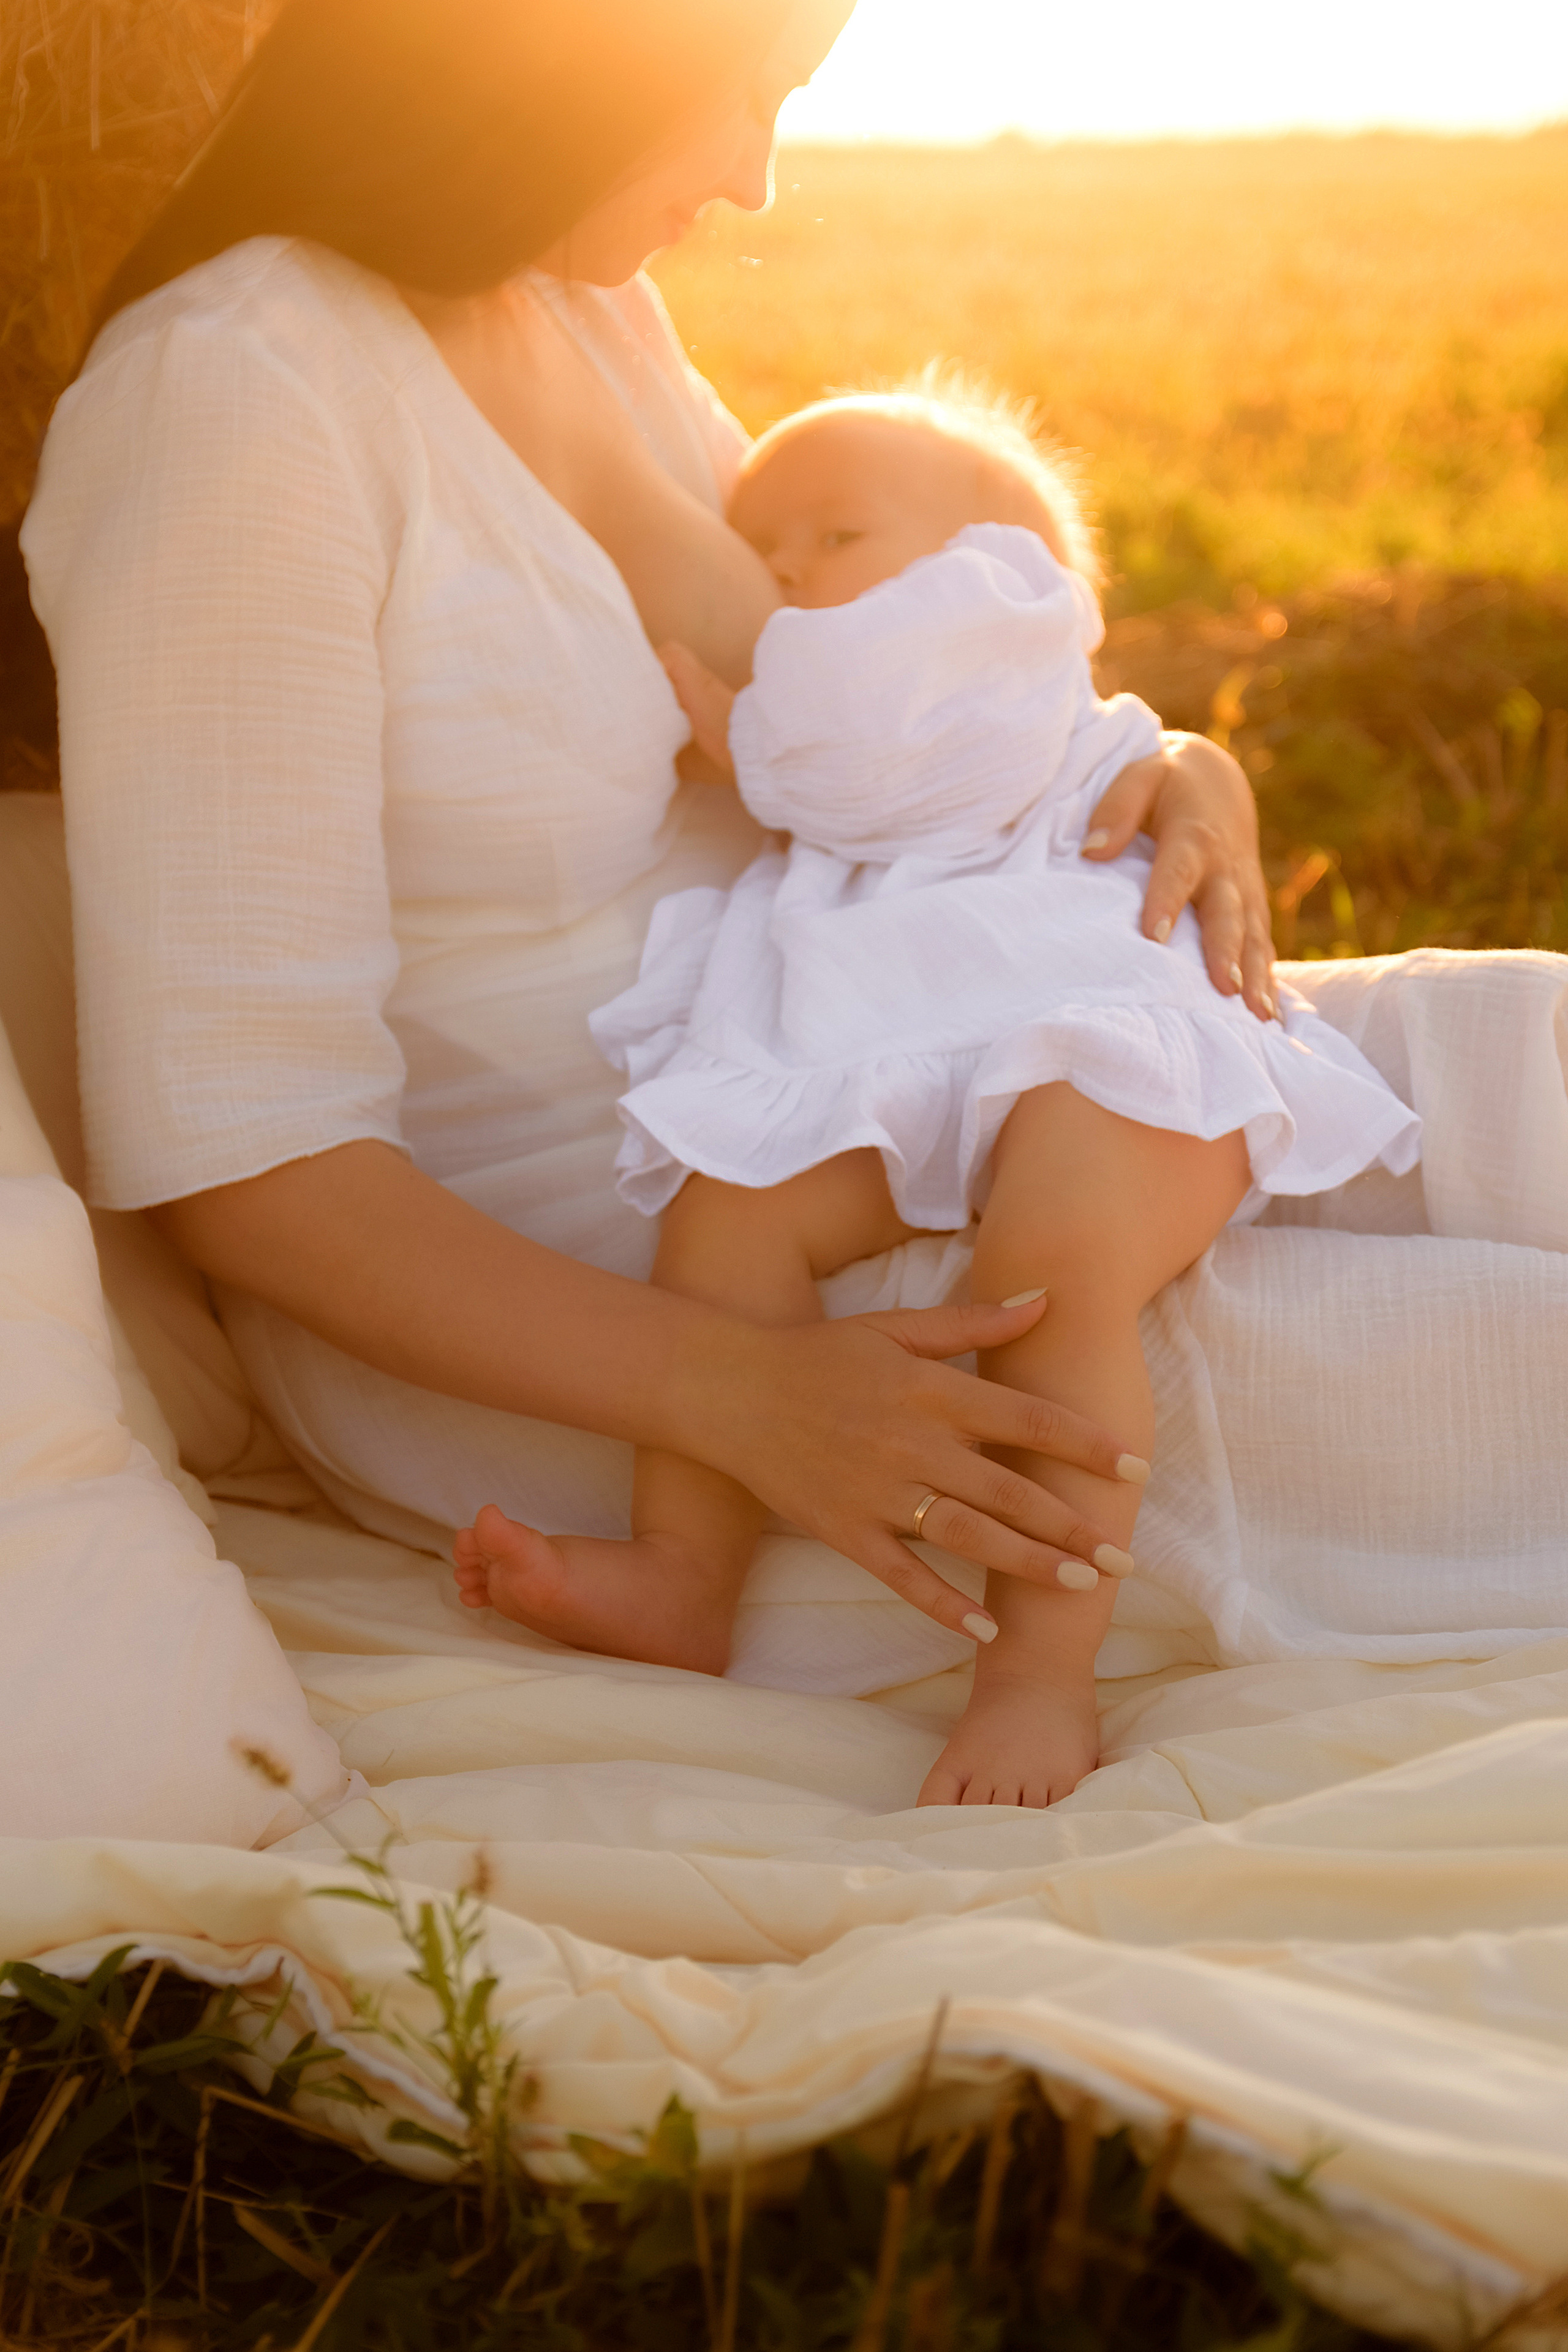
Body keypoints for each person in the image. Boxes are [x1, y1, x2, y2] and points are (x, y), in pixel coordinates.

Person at [21, 0, 1279, 1675]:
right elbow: (248, 1162)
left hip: (880, 1065)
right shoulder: (233, 394)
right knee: (1445, 1369)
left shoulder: (585, 302)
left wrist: (1178, 764)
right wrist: (748, 1395)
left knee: (1509, 1060)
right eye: (738, 97)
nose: (757, 183)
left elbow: (846, 699)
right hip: (630, 1309)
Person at [451, 388, 1420, 1804]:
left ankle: (1037, 1666)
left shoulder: (964, 668)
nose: (779, 575)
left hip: (1105, 1033)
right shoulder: (844, 718)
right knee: (729, 1210)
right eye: (759, 546)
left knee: (1048, 1271)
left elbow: (895, 754)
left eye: (834, 534)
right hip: (903, 1047)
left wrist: (742, 719)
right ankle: (681, 1578)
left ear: (1004, 574)